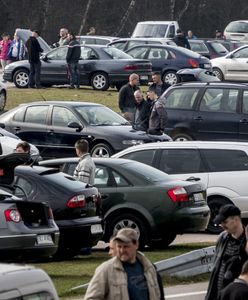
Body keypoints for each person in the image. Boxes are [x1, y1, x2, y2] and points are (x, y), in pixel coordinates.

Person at [84, 228, 164, 300]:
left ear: (136, 244)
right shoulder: (106, 270)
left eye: (126, 247)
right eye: (119, 246)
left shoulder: (149, 268)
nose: (122, 251)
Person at [205, 204, 248, 300]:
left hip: (238, 294)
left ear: (236, 220)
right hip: (219, 293)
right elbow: (216, 267)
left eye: (225, 222)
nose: (222, 226)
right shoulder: (222, 238)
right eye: (221, 223)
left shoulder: (246, 241)